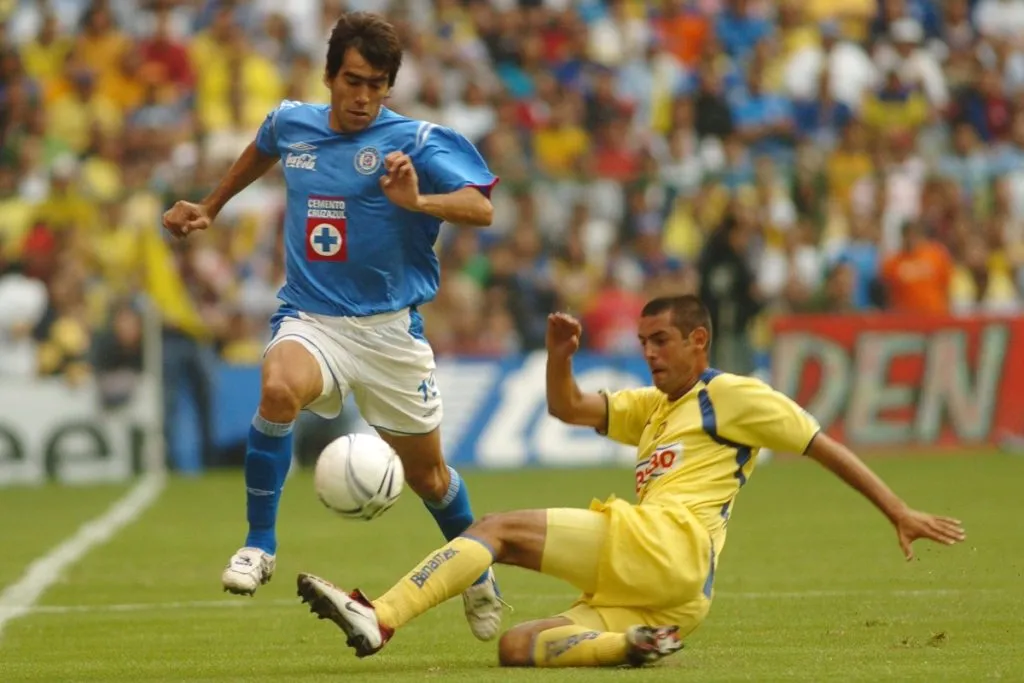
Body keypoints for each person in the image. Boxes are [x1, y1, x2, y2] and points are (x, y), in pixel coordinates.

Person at [292, 295, 966, 668]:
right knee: (517, 647)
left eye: (663, 340)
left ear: (700, 341)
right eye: (644, 339)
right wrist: (560, 356)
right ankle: (633, 646)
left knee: (495, 529)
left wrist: (897, 509)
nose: (649, 352)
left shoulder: (731, 395)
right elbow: (568, 407)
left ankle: (378, 616)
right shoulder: (655, 408)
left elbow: (821, 445)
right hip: (675, 597)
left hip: (671, 544)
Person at [161, 12, 503, 640]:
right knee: (277, 388)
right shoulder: (294, 123)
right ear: (328, 75)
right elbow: (265, 142)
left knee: (429, 478)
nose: (363, 97)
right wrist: (210, 206)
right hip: (313, 316)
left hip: (390, 334)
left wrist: (418, 202)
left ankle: (476, 572)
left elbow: (481, 206)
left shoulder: (419, 141)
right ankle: (259, 545)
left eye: (377, 84)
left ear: (390, 86)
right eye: (352, 81)